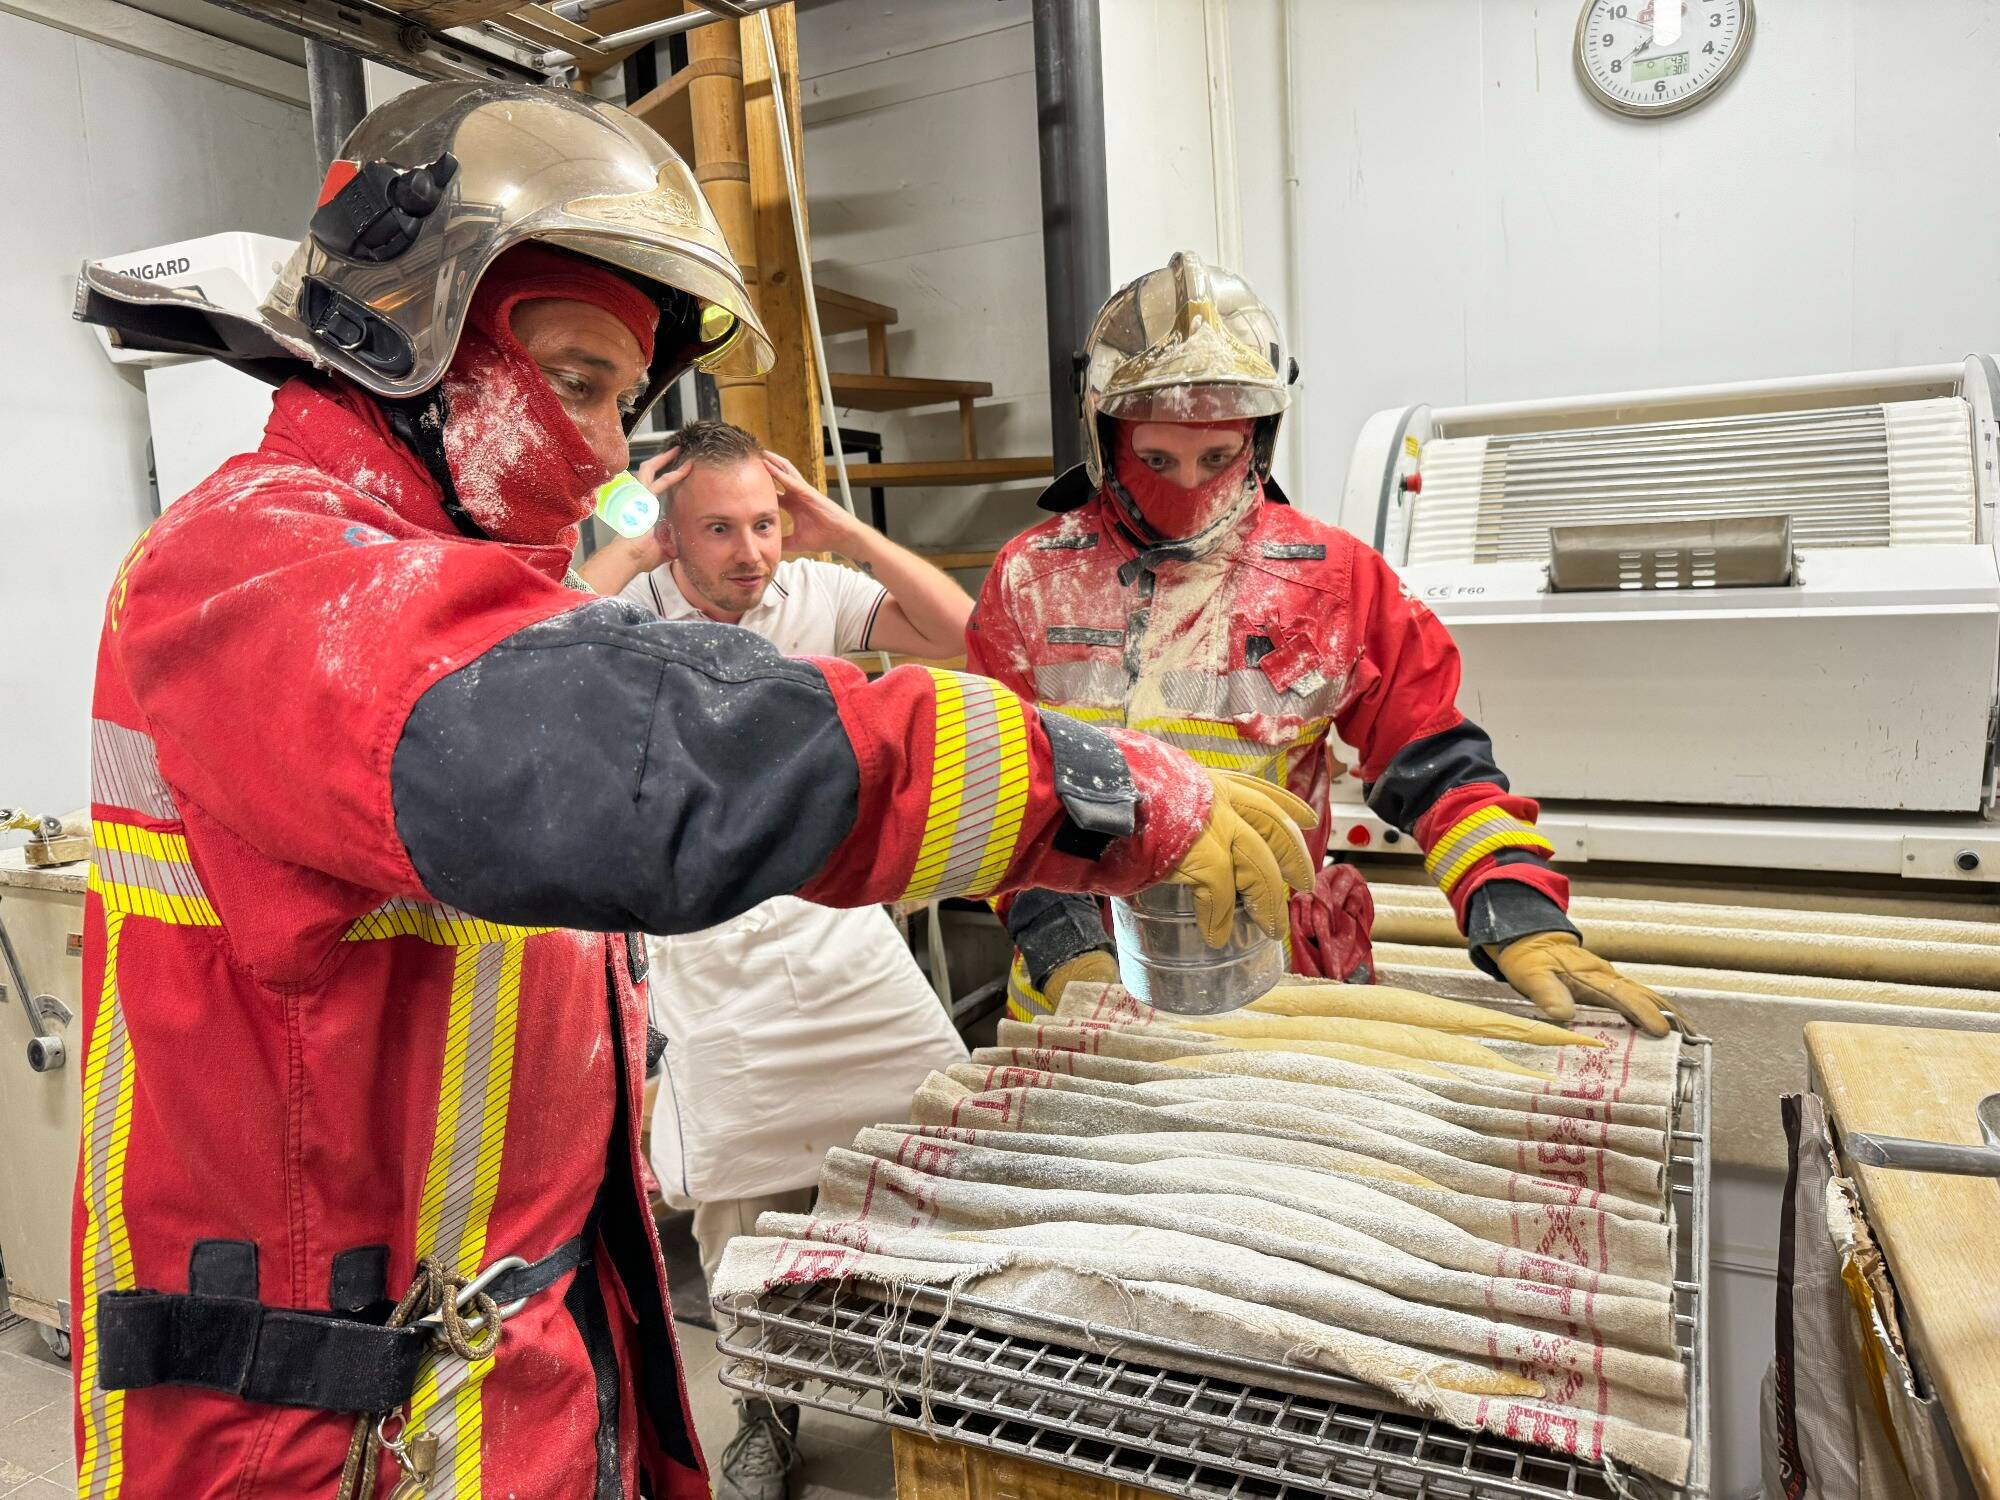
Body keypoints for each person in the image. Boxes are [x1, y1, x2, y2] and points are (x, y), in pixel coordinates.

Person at [69, 89, 1312, 1499]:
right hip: (325, 1433)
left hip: (485, 1363)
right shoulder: (253, 568)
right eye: (582, 382)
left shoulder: (431, 581)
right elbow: (641, 758)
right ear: (412, 336)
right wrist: (1088, 789)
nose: (609, 452)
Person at [966, 251, 1683, 1036]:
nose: (1189, 488)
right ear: (1106, 438)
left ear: (1260, 440)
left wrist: (1510, 897)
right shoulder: (1031, 580)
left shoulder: (1336, 580)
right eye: (1157, 459)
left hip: (1267, 965)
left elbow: (1434, 758)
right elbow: (1005, 786)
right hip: (1085, 972)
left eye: (1218, 457)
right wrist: (1060, 943)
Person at [578, 418, 973, 1500]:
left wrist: (835, 525)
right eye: (719, 528)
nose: (750, 551)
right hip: (703, 934)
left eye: (763, 523)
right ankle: (764, 1412)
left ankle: (929, 1388)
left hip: (833, 919)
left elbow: (962, 630)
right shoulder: (618, 614)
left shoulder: (815, 597)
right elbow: (533, 630)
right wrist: (622, 531)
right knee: (738, 1199)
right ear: (667, 530)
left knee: (929, 1140)